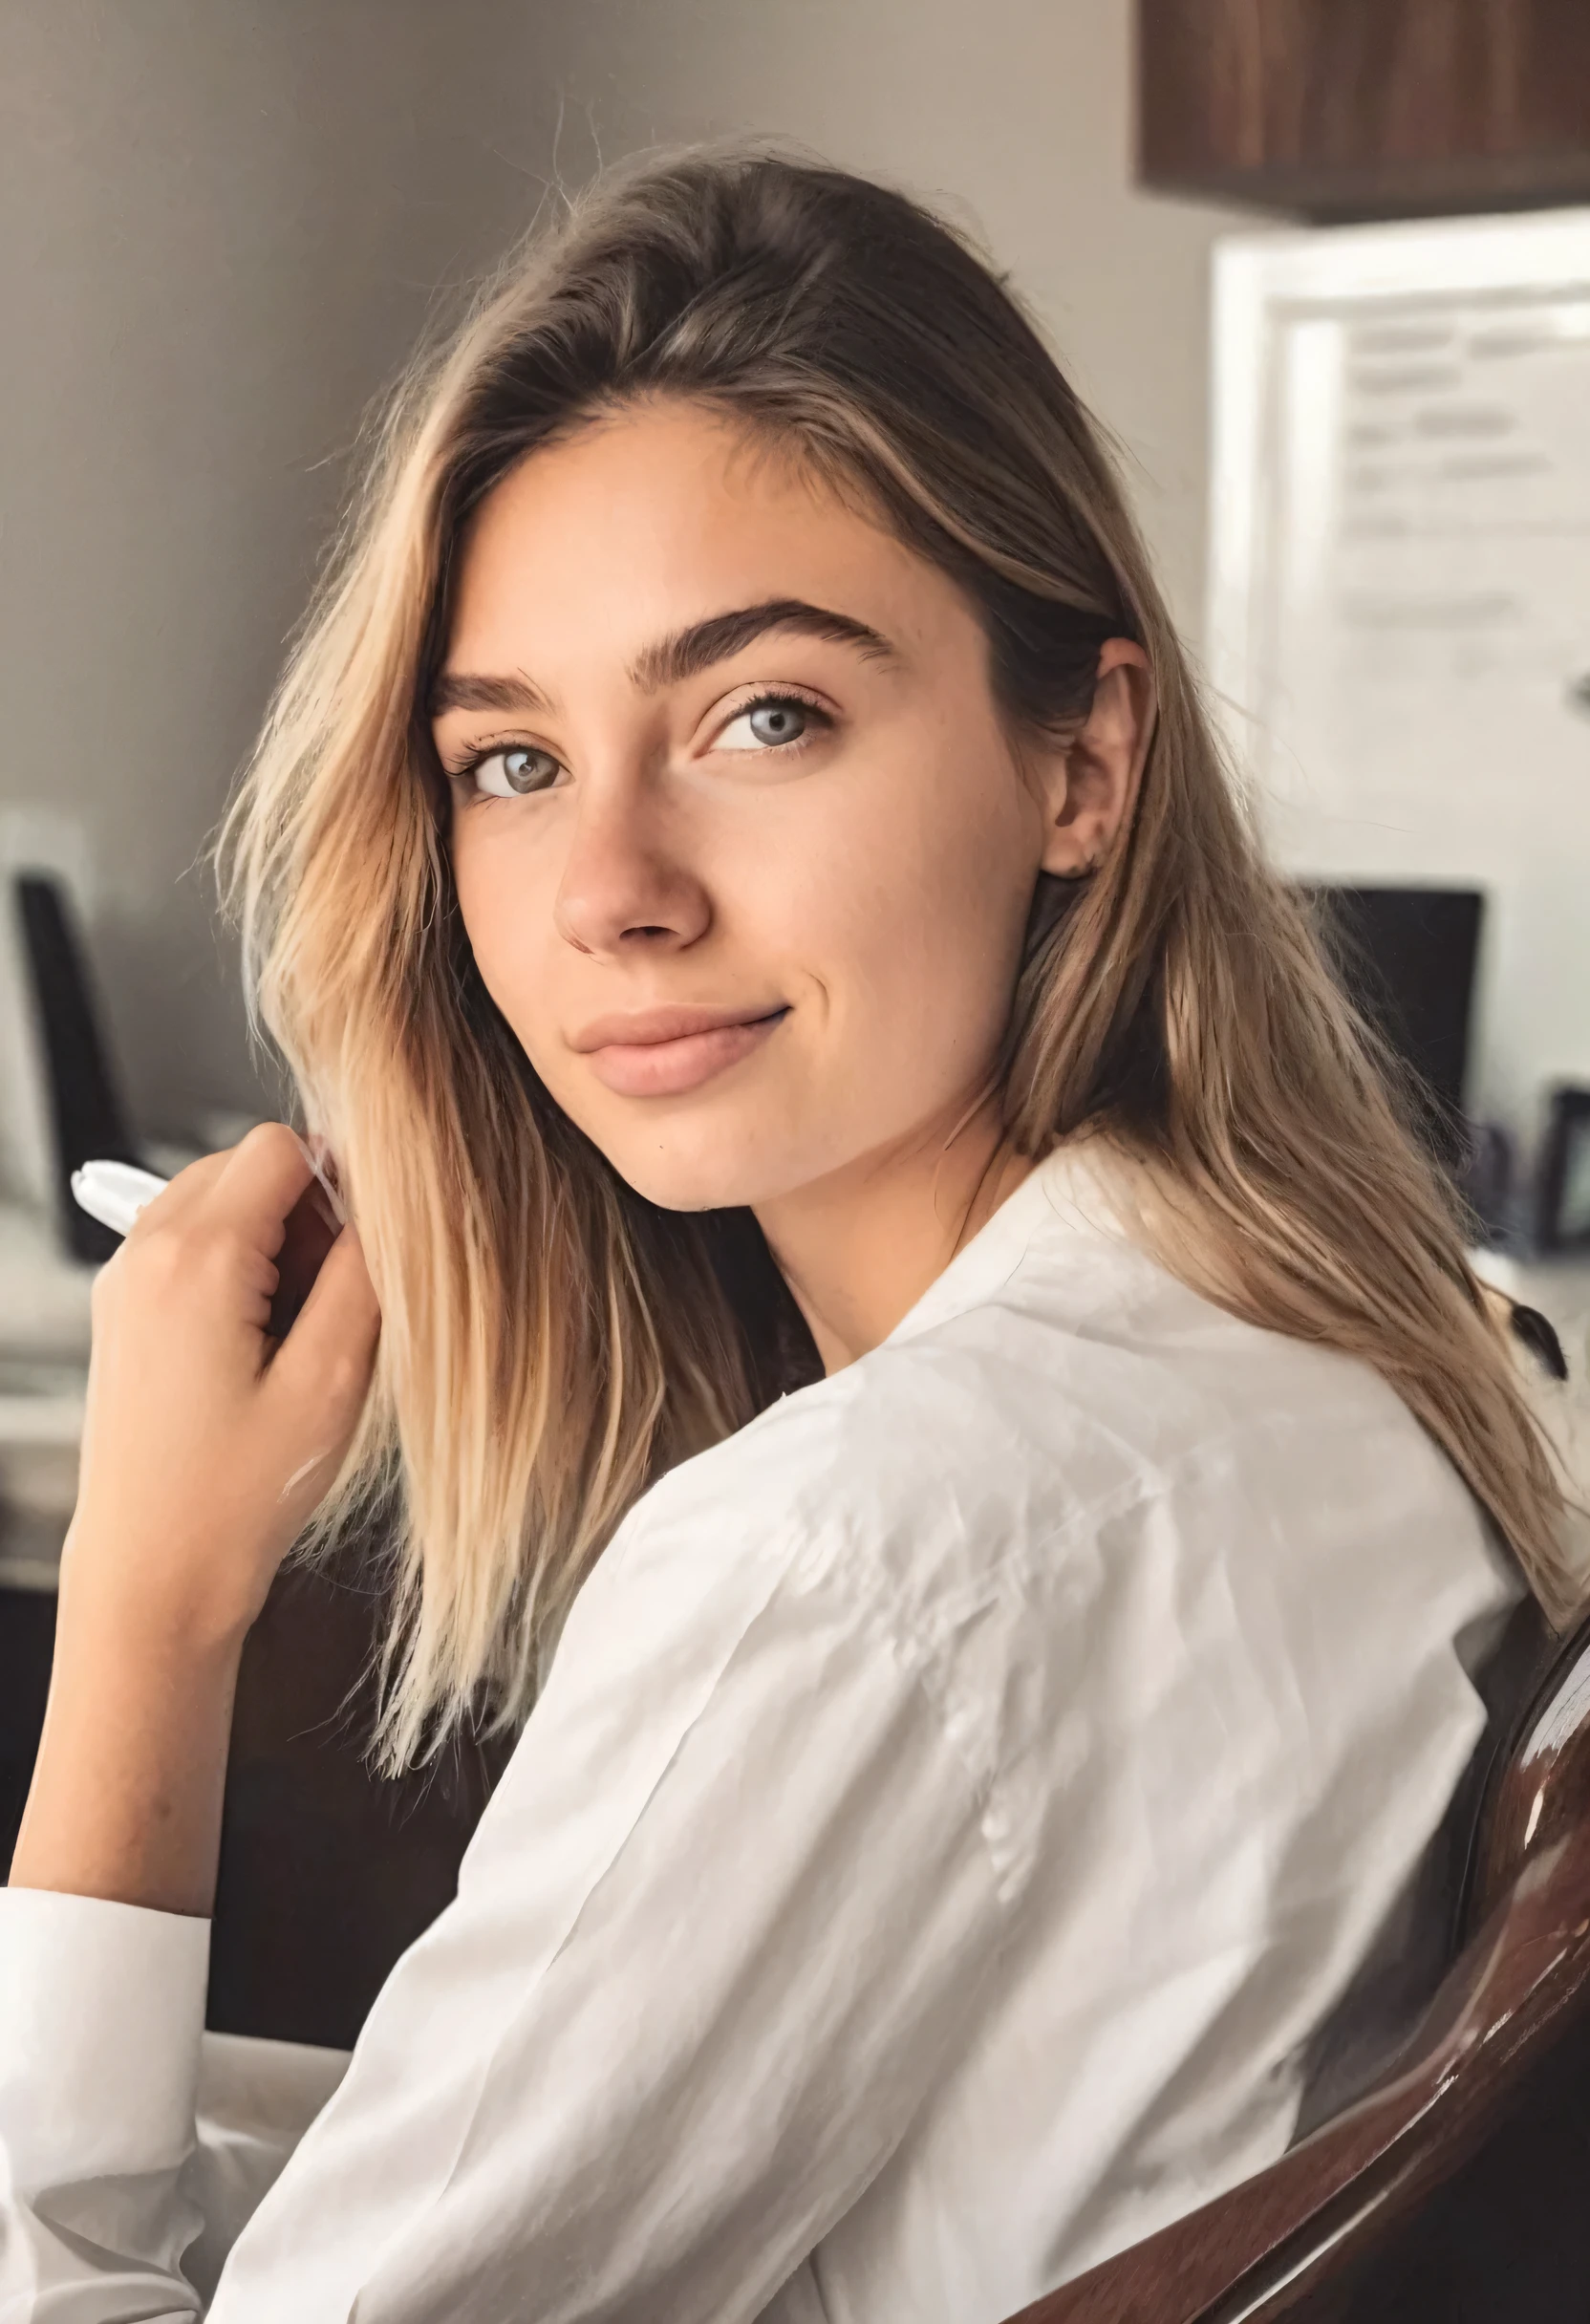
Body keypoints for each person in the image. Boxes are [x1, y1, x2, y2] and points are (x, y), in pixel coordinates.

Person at [0, 147, 1575, 2324]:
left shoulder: (851, 1564)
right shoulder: (1406, 1352)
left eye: (766, 717)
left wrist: (148, 1609)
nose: (613, 889)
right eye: (511, 761)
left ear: (1081, 764)